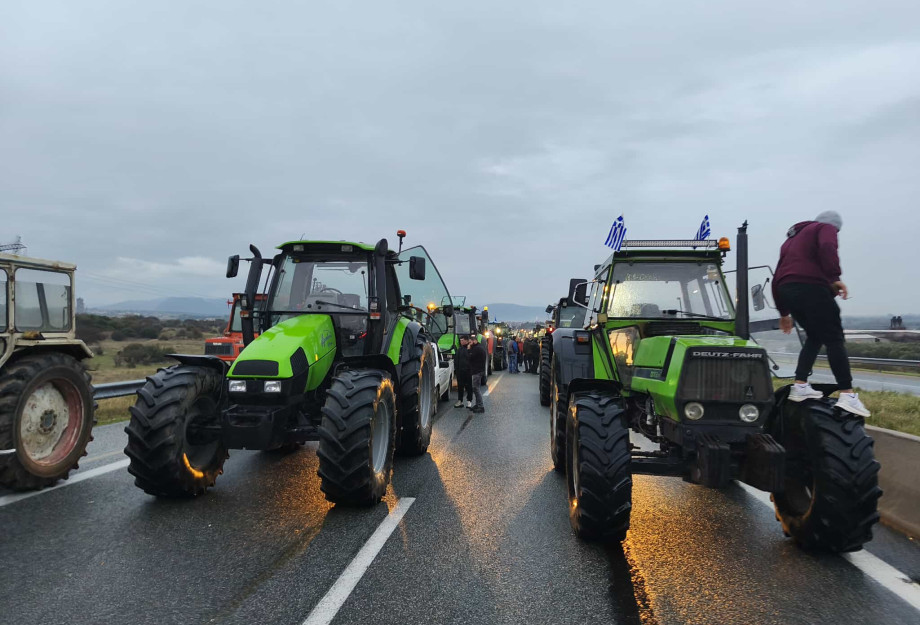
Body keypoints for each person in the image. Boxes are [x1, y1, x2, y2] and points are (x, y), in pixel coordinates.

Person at [773, 210, 869, 417]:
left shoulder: (790, 241)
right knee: (834, 338)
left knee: (815, 336)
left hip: (786, 290)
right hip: (811, 287)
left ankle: (800, 386)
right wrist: (834, 277)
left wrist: (783, 312)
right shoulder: (824, 228)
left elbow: (777, 276)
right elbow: (827, 246)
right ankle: (848, 395)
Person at [467, 334, 487, 413]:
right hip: (479, 370)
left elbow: (470, 358)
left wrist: (469, 350)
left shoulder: (476, 349)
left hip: (477, 371)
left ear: (474, 341)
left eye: (470, 342)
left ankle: (481, 406)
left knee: (476, 388)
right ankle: (477, 404)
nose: (469, 344)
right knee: (476, 388)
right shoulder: (479, 347)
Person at [454, 336, 473, 408]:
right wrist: (457, 370)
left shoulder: (470, 349)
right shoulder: (459, 349)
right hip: (460, 371)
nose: (461, 342)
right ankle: (460, 401)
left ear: (466, 340)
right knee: (460, 386)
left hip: (468, 371)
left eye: (462, 340)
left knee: (469, 386)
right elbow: (456, 360)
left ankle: (469, 401)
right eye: (460, 340)